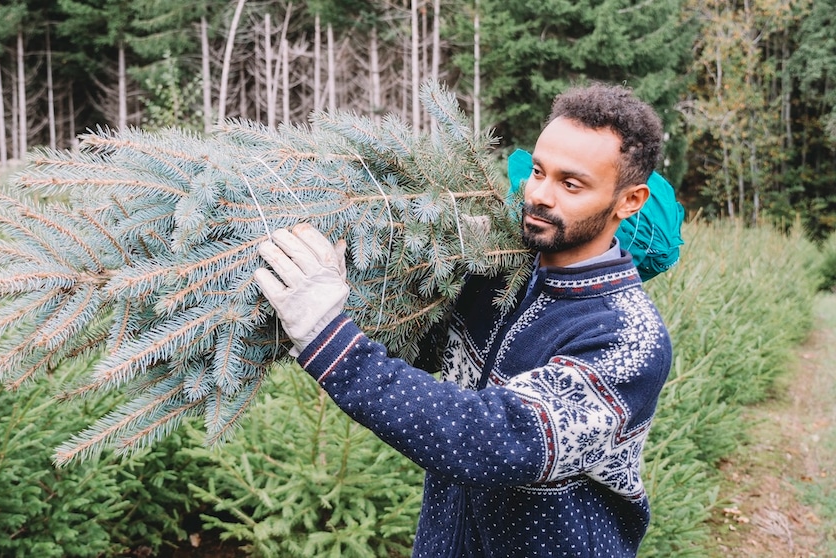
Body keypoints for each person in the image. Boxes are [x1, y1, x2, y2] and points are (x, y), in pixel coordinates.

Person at [253, 83, 673, 557]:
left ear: (629, 200)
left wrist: (325, 332)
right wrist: (375, 279)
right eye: (537, 172)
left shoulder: (627, 336)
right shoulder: (499, 274)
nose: (538, 195)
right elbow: (421, 354)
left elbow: (494, 437)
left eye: (570, 184)